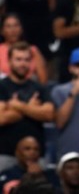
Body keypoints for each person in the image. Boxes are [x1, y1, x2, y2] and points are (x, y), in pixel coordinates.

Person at [0, 42, 54, 173]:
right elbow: (1, 118)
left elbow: (49, 115)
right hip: (6, 154)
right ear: (10, 61)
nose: (22, 64)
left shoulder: (39, 88)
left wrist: (18, 106)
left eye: (26, 60)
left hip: (36, 156)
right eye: (18, 59)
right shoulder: (2, 87)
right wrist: (31, 109)